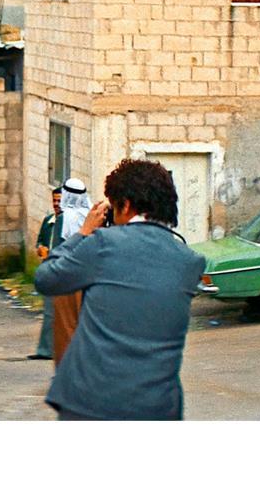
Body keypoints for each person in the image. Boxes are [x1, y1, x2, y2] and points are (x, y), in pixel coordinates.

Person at [34, 158, 206, 420]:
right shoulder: (190, 262)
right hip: (158, 406)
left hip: (90, 402)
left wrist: (82, 233)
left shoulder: (103, 244)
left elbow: (46, 279)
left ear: (125, 204)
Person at [52, 177, 90, 366]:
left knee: (66, 326)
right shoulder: (90, 216)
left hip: (67, 278)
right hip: (88, 277)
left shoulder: (63, 218)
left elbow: (56, 249)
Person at [28, 187, 63, 360]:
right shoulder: (48, 221)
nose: (56, 204)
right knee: (49, 310)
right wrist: (40, 248)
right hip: (48, 269)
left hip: (62, 270)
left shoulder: (67, 222)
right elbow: (40, 240)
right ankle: (46, 349)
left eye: (59, 200)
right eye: (54, 200)